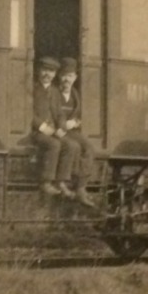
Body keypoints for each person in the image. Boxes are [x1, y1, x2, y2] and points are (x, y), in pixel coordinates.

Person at [30, 56, 78, 197]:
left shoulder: (56, 91)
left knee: (71, 145)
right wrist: (43, 127)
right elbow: (27, 113)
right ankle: (46, 182)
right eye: (44, 70)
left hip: (53, 131)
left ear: (55, 74)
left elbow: (60, 114)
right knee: (54, 145)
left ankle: (61, 182)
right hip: (37, 132)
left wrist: (61, 128)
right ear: (39, 71)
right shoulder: (32, 88)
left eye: (51, 72)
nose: (47, 74)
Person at [53, 57, 96, 206]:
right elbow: (50, 117)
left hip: (71, 130)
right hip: (56, 131)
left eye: (70, 76)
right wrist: (65, 125)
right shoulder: (54, 94)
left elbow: (77, 115)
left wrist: (76, 122)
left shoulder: (75, 95)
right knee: (73, 146)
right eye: (64, 75)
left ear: (75, 78)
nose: (67, 79)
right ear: (59, 76)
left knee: (88, 147)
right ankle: (63, 181)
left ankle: (81, 187)